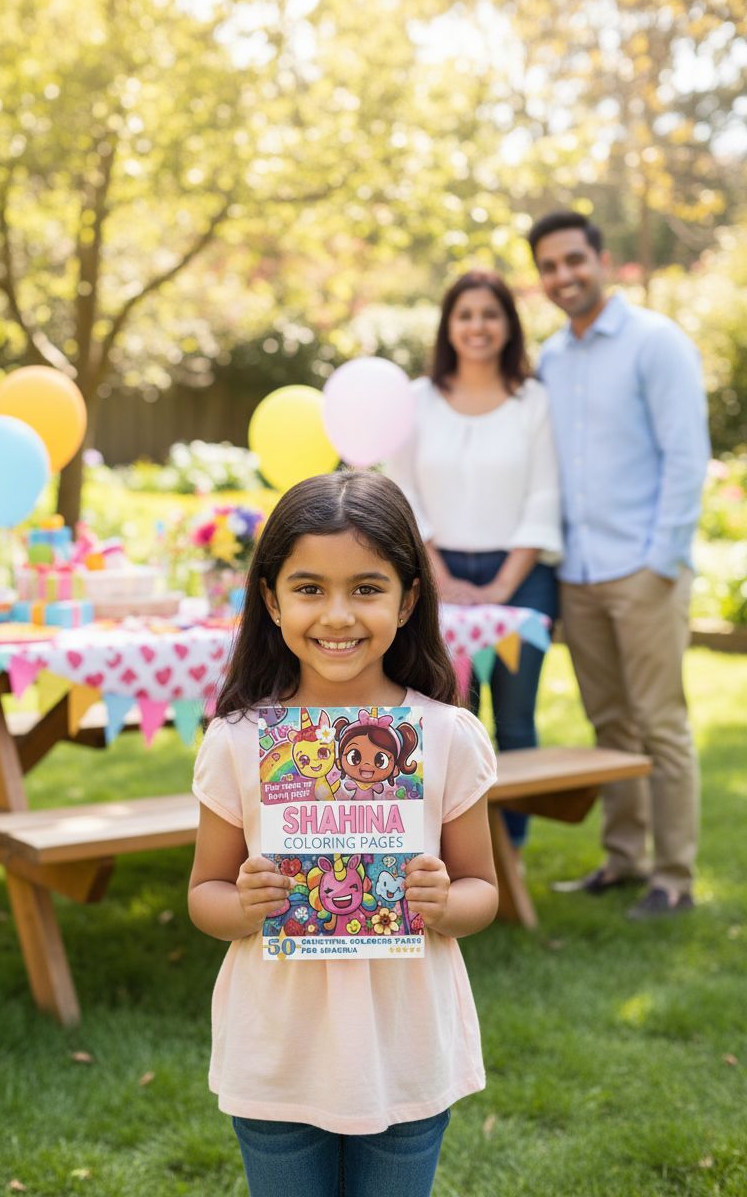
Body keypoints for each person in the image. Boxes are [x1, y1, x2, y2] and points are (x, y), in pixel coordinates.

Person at [188, 470, 498, 1197]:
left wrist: (447, 901)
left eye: (366, 588)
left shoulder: (446, 735)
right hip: (279, 1053)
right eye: (308, 588)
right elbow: (204, 892)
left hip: (406, 1048)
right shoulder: (239, 740)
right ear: (270, 598)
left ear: (409, 596)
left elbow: (483, 887)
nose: (337, 615)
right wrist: (242, 904)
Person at [527, 209, 710, 919]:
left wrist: (662, 561)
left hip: (643, 569)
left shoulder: (655, 343)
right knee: (611, 724)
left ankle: (675, 876)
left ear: (601, 259)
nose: (564, 275)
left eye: (574, 259)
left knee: (661, 722)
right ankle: (625, 859)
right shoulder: (550, 356)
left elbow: (686, 457)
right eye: (549, 266)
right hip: (578, 573)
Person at [385, 270, 562, 853]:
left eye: (490, 314)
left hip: (524, 576)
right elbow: (403, 491)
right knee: (449, 716)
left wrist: (504, 583)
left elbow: (543, 493)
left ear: (508, 324)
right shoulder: (416, 400)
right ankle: (449, 851)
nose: (478, 326)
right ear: (448, 326)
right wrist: (441, 576)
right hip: (434, 574)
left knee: (514, 719)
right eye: (465, 315)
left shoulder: (532, 400)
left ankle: (509, 851)